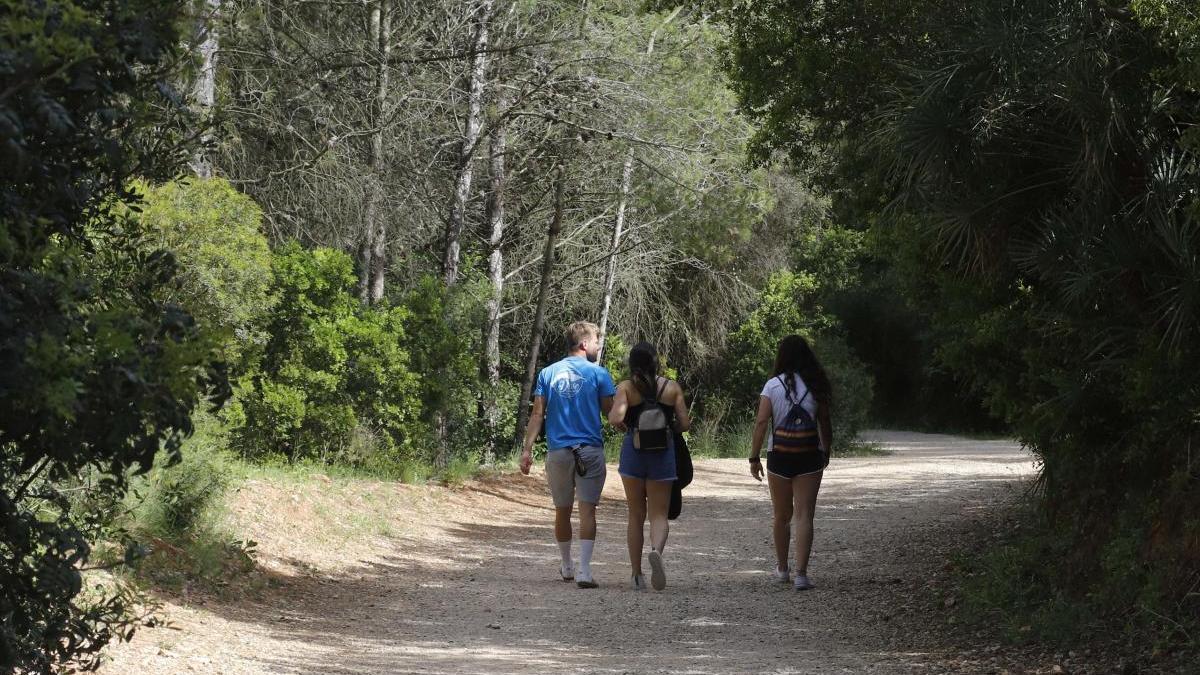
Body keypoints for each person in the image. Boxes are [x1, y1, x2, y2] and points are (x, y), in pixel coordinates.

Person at [520, 321, 616, 589]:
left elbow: (538, 414)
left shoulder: (548, 373)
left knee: (561, 511)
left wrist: (527, 450)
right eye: (596, 340)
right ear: (584, 344)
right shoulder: (599, 374)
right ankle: (584, 570)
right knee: (588, 511)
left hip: (558, 452)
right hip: (589, 451)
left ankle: (566, 565)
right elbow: (611, 414)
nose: (598, 345)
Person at [748, 334, 833, 591]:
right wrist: (826, 451)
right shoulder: (816, 385)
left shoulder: (772, 386)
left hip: (780, 456)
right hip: (809, 454)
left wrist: (754, 456)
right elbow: (825, 424)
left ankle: (782, 569)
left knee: (781, 515)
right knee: (805, 514)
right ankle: (802, 575)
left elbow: (762, 422)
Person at [608, 342, 690, 591]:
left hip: (633, 452)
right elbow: (685, 424)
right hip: (663, 454)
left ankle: (636, 575)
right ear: (656, 363)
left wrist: (625, 427)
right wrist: (670, 428)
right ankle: (656, 551)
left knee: (635, 515)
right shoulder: (671, 388)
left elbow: (615, 418)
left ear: (632, 364)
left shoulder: (626, 388)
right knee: (658, 514)